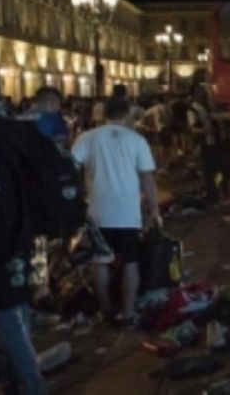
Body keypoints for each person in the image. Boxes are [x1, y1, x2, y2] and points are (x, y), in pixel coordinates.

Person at [0, 75, 48, 394]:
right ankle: (23, 373)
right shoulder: (24, 128)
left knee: (1, 306)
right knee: (20, 301)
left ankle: (31, 383)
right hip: (29, 230)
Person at [71, 97, 160, 329]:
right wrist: (154, 210)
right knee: (131, 261)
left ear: (103, 114)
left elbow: (70, 166)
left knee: (99, 262)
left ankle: (106, 310)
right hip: (127, 212)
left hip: (97, 211)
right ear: (128, 113)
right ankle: (129, 313)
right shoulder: (137, 140)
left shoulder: (88, 137)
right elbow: (147, 179)